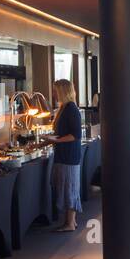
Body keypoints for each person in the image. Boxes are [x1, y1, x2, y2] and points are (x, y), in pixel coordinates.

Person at [49, 78, 83, 232]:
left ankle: (70, 223)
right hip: (63, 154)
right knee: (67, 187)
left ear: (63, 91)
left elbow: (75, 135)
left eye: (56, 91)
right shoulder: (64, 108)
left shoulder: (71, 109)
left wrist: (56, 140)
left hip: (69, 155)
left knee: (69, 187)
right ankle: (71, 221)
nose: (54, 94)